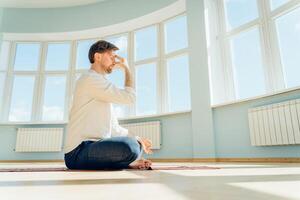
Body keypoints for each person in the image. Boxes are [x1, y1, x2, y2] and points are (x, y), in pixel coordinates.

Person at [63, 40, 152, 170]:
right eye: (111, 56)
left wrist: (138, 138)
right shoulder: (90, 79)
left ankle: (126, 161)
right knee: (130, 146)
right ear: (98, 57)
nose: (114, 61)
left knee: (136, 145)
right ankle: (126, 161)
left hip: (95, 147)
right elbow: (130, 97)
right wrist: (127, 68)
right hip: (78, 152)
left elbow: (114, 128)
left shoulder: (101, 87)